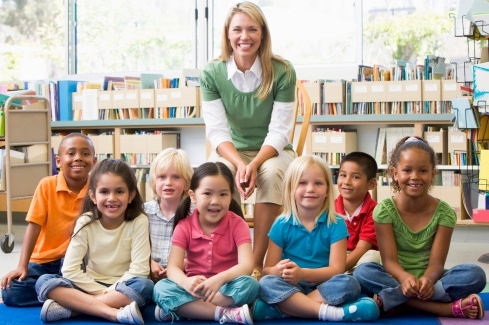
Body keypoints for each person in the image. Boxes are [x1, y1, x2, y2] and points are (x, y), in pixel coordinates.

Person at [200, 1, 297, 276]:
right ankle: (230, 256)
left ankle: (256, 261)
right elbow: (217, 131)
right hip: (231, 149)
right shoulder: (211, 73)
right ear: (228, 35)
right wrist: (240, 164)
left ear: (263, 34)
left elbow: (280, 132)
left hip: (273, 150)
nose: (245, 37)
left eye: (253, 29)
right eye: (238, 30)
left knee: (273, 173)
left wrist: (253, 164)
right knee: (219, 177)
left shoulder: (283, 71)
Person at [353, 136, 487, 319]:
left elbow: (437, 264)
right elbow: (389, 261)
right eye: (407, 170)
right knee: (363, 271)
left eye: (423, 170)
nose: (415, 177)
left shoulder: (444, 213)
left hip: (432, 281)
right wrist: (405, 279)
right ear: (395, 173)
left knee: (475, 274)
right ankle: (443, 308)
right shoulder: (384, 210)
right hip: (395, 278)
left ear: (433, 173)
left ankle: (393, 302)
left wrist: (428, 280)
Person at [253, 155, 380, 322]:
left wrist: (302, 274)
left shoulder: (337, 223)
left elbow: (336, 270)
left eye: (318, 183)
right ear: (290, 188)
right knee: (266, 283)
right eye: (302, 183)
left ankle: (284, 309)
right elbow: (268, 269)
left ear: (328, 189)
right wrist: (276, 270)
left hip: (323, 286)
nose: (310, 189)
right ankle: (332, 313)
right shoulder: (280, 224)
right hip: (290, 285)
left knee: (349, 283)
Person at [34, 159, 154, 324]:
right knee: (44, 281)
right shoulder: (86, 221)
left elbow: (139, 271)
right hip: (89, 285)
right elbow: (69, 270)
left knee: (145, 286)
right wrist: (102, 293)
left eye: (119, 191)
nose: (112, 198)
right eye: (104, 191)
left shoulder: (139, 221)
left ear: (131, 195)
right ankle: (112, 313)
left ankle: (75, 309)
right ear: (93, 195)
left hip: (123, 287)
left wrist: (102, 294)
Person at [153, 162, 259, 324]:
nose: (215, 201)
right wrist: (185, 282)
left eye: (223, 194)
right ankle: (223, 313)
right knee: (160, 288)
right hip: (193, 289)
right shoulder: (184, 226)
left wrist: (220, 279)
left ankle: (185, 309)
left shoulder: (238, 225)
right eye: (207, 193)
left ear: (231, 196)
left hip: (225, 287)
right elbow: (173, 267)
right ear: (193, 196)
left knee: (251, 284)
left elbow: (247, 265)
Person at [1, 133, 97, 307]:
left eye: (85, 154)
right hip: (42, 262)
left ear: (94, 161)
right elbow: (33, 226)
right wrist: (22, 266)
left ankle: (57, 293)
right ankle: (68, 297)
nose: (78, 158)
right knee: (11, 291)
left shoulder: (98, 189)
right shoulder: (47, 185)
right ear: (58, 161)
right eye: (71, 153)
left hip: (76, 262)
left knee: (94, 278)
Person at [144, 147, 194, 283]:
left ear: (186, 183)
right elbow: (131, 249)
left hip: (184, 277)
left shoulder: (196, 214)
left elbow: (205, 251)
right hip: (148, 276)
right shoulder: (143, 213)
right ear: (154, 182)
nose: (168, 183)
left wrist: (183, 263)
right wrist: (149, 262)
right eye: (162, 177)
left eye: (176, 177)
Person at [334, 151, 380, 274]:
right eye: (343, 175)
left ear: (371, 184)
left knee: (372, 258)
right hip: (337, 257)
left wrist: (335, 271)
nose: (347, 182)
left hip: (361, 260)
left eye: (355, 177)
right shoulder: (329, 208)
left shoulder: (377, 211)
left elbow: (362, 248)